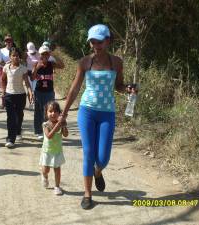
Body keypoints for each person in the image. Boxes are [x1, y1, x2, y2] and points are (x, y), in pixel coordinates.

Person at [59, 24, 134, 209]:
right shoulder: (85, 62)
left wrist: (128, 89)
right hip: (87, 112)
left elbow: (119, 85)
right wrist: (64, 112)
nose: (96, 45)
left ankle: (98, 172)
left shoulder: (117, 62)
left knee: (103, 157)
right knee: (89, 153)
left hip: (107, 113)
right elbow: (75, 88)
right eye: (92, 41)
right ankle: (87, 194)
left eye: (99, 41)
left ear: (107, 41)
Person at [1, 48, 33, 148]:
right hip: (9, 95)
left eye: (17, 56)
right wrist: (3, 92)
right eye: (13, 55)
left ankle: (18, 130)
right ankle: (10, 139)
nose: (15, 57)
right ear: (10, 57)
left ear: (19, 57)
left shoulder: (23, 68)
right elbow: (3, 80)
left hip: (20, 95)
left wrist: (30, 92)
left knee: (19, 115)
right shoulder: (6, 67)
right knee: (10, 117)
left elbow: (27, 82)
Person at [32, 45, 64, 140]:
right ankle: (38, 131)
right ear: (40, 55)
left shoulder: (51, 64)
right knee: (38, 111)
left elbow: (62, 66)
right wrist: (37, 68)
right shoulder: (36, 63)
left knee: (50, 111)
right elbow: (32, 77)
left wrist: (54, 54)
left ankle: (49, 129)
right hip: (39, 91)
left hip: (49, 92)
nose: (45, 55)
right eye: (43, 54)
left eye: (47, 53)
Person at [39, 101, 68, 195]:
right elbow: (49, 136)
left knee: (57, 170)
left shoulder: (61, 123)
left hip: (57, 151)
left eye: (55, 111)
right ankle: (44, 176)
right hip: (47, 151)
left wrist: (64, 125)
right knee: (45, 170)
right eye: (50, 111)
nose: (53, 113)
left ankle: (57, 186)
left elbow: (66, 134)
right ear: (46, 113)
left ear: (59, 113)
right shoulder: (45, 125)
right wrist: (58, 124)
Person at [25, 42, 39, 108]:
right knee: (29, 89)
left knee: (35, 89)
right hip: (28, 73)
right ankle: (31, 103)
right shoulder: (26, 54)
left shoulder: (38, 54)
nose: (32, 53)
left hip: (37, 73)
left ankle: (35, 103)